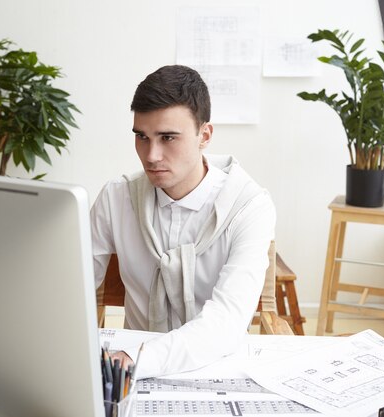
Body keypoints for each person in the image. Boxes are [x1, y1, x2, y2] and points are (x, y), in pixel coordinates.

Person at [90, 65, 276, 378]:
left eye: (168, 138)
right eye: (142, 137)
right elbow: (72, 288)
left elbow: (226, 323)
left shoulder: (250, 206)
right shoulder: (116, 198)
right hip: (128, 373)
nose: (151, 155)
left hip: (213, 368)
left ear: (205, 135)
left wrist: (137, 359)